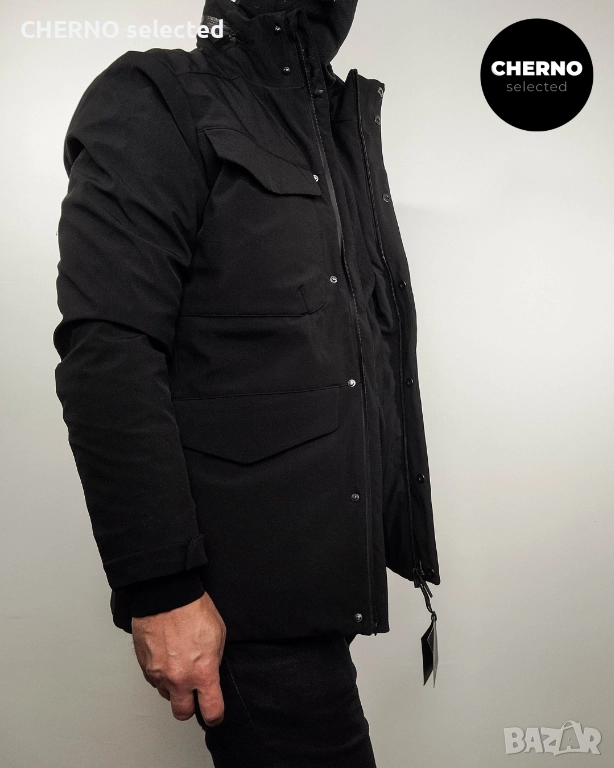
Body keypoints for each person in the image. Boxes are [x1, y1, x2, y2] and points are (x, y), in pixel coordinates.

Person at [53, 0, 441, 764]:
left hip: (320, 589)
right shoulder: (161, 97)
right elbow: (110, 349)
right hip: (242, 605)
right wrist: (161, 588)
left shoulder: (328, 126)